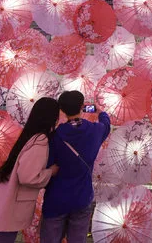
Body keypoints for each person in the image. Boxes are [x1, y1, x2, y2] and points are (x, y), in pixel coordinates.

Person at [0, 97, 60, 243]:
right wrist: (51, 171)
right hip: (11, 205)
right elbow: (28, 177)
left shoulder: (29, 135)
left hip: (3, 200)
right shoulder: (40, 140)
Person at [40, 90, 111, 243]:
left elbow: (48, 164)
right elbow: (106, 123)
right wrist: (99, 111)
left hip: (56, 198)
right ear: (82, 106)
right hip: (82, 197)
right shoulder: (95, 131)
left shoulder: (56, 135)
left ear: (62, 110)